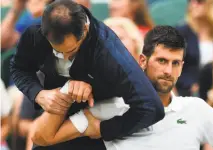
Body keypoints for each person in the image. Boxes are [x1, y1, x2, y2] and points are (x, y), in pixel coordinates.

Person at [31, 26, 213, 150]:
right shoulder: (110, 107)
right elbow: (42, 137)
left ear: (182, 67)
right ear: (142, 61)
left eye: (175, 63)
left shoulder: (196, 109)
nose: (168, 70)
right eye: (161, 61)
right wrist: (67, 92)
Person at [10, 0, 164, 149]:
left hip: (101, 115)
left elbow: (151, 108)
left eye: (70, 51)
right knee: (39, 140)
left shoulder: (110, 52)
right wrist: (38, 93)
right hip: (62, 109)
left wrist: (104, 129)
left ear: (85, 30)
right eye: (57, 51)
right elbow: (19, 68)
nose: (63, 58)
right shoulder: (35, 33)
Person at [175, 0, 213, 96]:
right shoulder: (180, 33)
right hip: (188, 93)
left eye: (199, 1)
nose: (193, 4)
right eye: (190, 1)